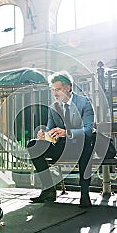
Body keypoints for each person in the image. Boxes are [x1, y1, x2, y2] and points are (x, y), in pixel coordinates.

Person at [26, 71, 95, 207]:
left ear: (68, 88)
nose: (55, 93)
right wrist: (44, 134)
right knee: (33, 145)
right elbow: (50, 128)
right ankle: (48, 190)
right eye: (53, 90)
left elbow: (88, 130)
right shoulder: (54, 107)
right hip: (62, 147)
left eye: (57, 89)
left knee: (87, 144)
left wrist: (67, 133)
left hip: (80, 146)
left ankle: (85, 194)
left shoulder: (84, 102)